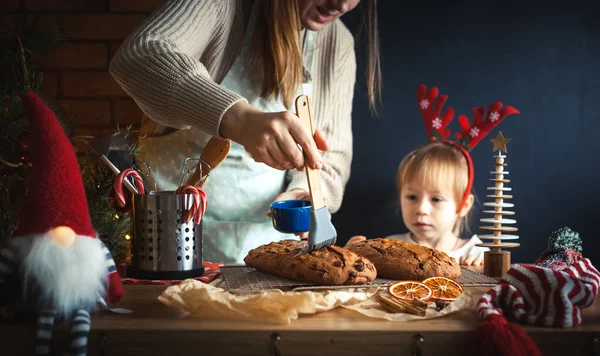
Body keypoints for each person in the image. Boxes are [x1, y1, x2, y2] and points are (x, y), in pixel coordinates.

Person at [110, 0, 381, 263]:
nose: (342, 4)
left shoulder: (338, 43)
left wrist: (306, 192)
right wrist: (239, 120)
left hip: (268, 253)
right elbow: (139, 56)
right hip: (169, 244)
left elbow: (330, 156)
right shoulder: (222, 6)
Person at [347, 142, 489, 266]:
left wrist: (485, 267)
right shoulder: (389, 248)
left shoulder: (478, 253)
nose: (421, 209)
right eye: (412, 197)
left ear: (463, 206)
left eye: (436, 199)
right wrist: (352, 260)